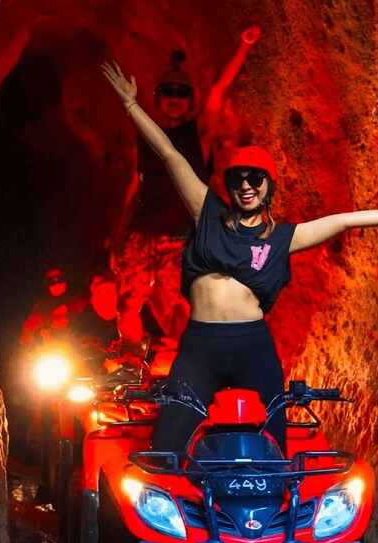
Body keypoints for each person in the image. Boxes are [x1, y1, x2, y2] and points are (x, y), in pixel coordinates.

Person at [101, 61, 378, 454]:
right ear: (228, 185)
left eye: (255, 179)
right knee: (166, 445)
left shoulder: (282, 238)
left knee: (274, 445)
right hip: (201, 346)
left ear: (268, 187)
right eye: (238, 179)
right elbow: (169, 154)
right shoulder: (207, 214)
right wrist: (130, 105)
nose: (246, 186)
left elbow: (343, 220)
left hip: (252, 347)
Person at [111, 25, 262, 345]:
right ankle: (131, 360)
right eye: (168, 92)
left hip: (181, 238)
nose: (174, 99)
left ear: (190, 100)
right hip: (141, 235)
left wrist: (244, 45)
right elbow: (134, 189)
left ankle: (190, 363)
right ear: (158, 99)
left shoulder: (199, 134)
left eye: (181, 93)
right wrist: (119, 236)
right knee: (126, 306)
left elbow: (219, 91)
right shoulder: (146, 136)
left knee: (187, 306)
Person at [19, 267, 85, 347]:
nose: (56, 283)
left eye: (60, 279)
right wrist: (27, 336)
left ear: (66, 280)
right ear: (47, 284)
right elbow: (27, 332)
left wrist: (66, 309)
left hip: (78, 346)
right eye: (51, 281)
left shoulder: (79, 297)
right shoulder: (41, 306)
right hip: (52, 349)